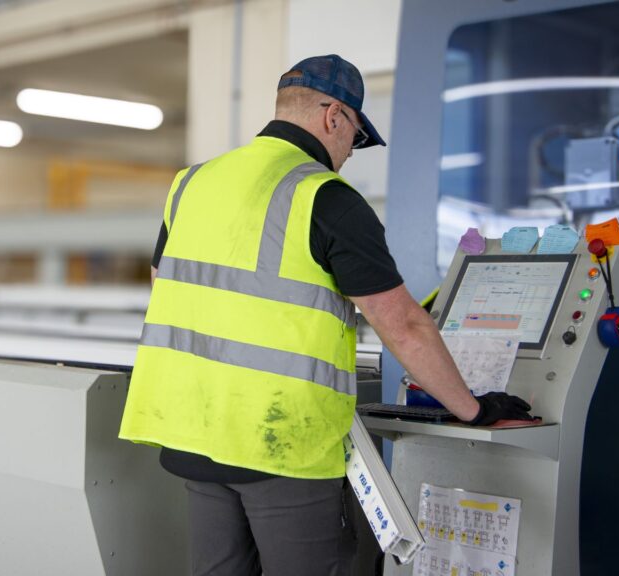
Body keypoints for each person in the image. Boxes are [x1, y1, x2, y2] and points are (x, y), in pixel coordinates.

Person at [119, 54, 532, 576]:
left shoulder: (192, 183)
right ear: (333, 116)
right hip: (282, 446)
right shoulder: (325, 196)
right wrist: (473, 409)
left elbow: (171, 287)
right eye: (356, 138)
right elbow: (402, 324)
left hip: (192, 430)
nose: (349, 155)